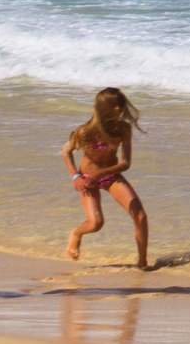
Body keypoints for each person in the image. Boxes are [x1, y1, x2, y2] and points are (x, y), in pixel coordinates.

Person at [60, 87, 150, 269]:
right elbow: (65, 152)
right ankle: (76, 234)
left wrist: (101, 173)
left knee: (140, 216)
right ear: (104, 108)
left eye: (121, 105)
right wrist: (75, 177)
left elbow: (125, 163)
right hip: (86, 179)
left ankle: (142, 262)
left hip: (110, 176)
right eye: (115, 106)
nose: (119, 109)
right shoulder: (84, 131)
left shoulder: (123, 129)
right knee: (95, 223)